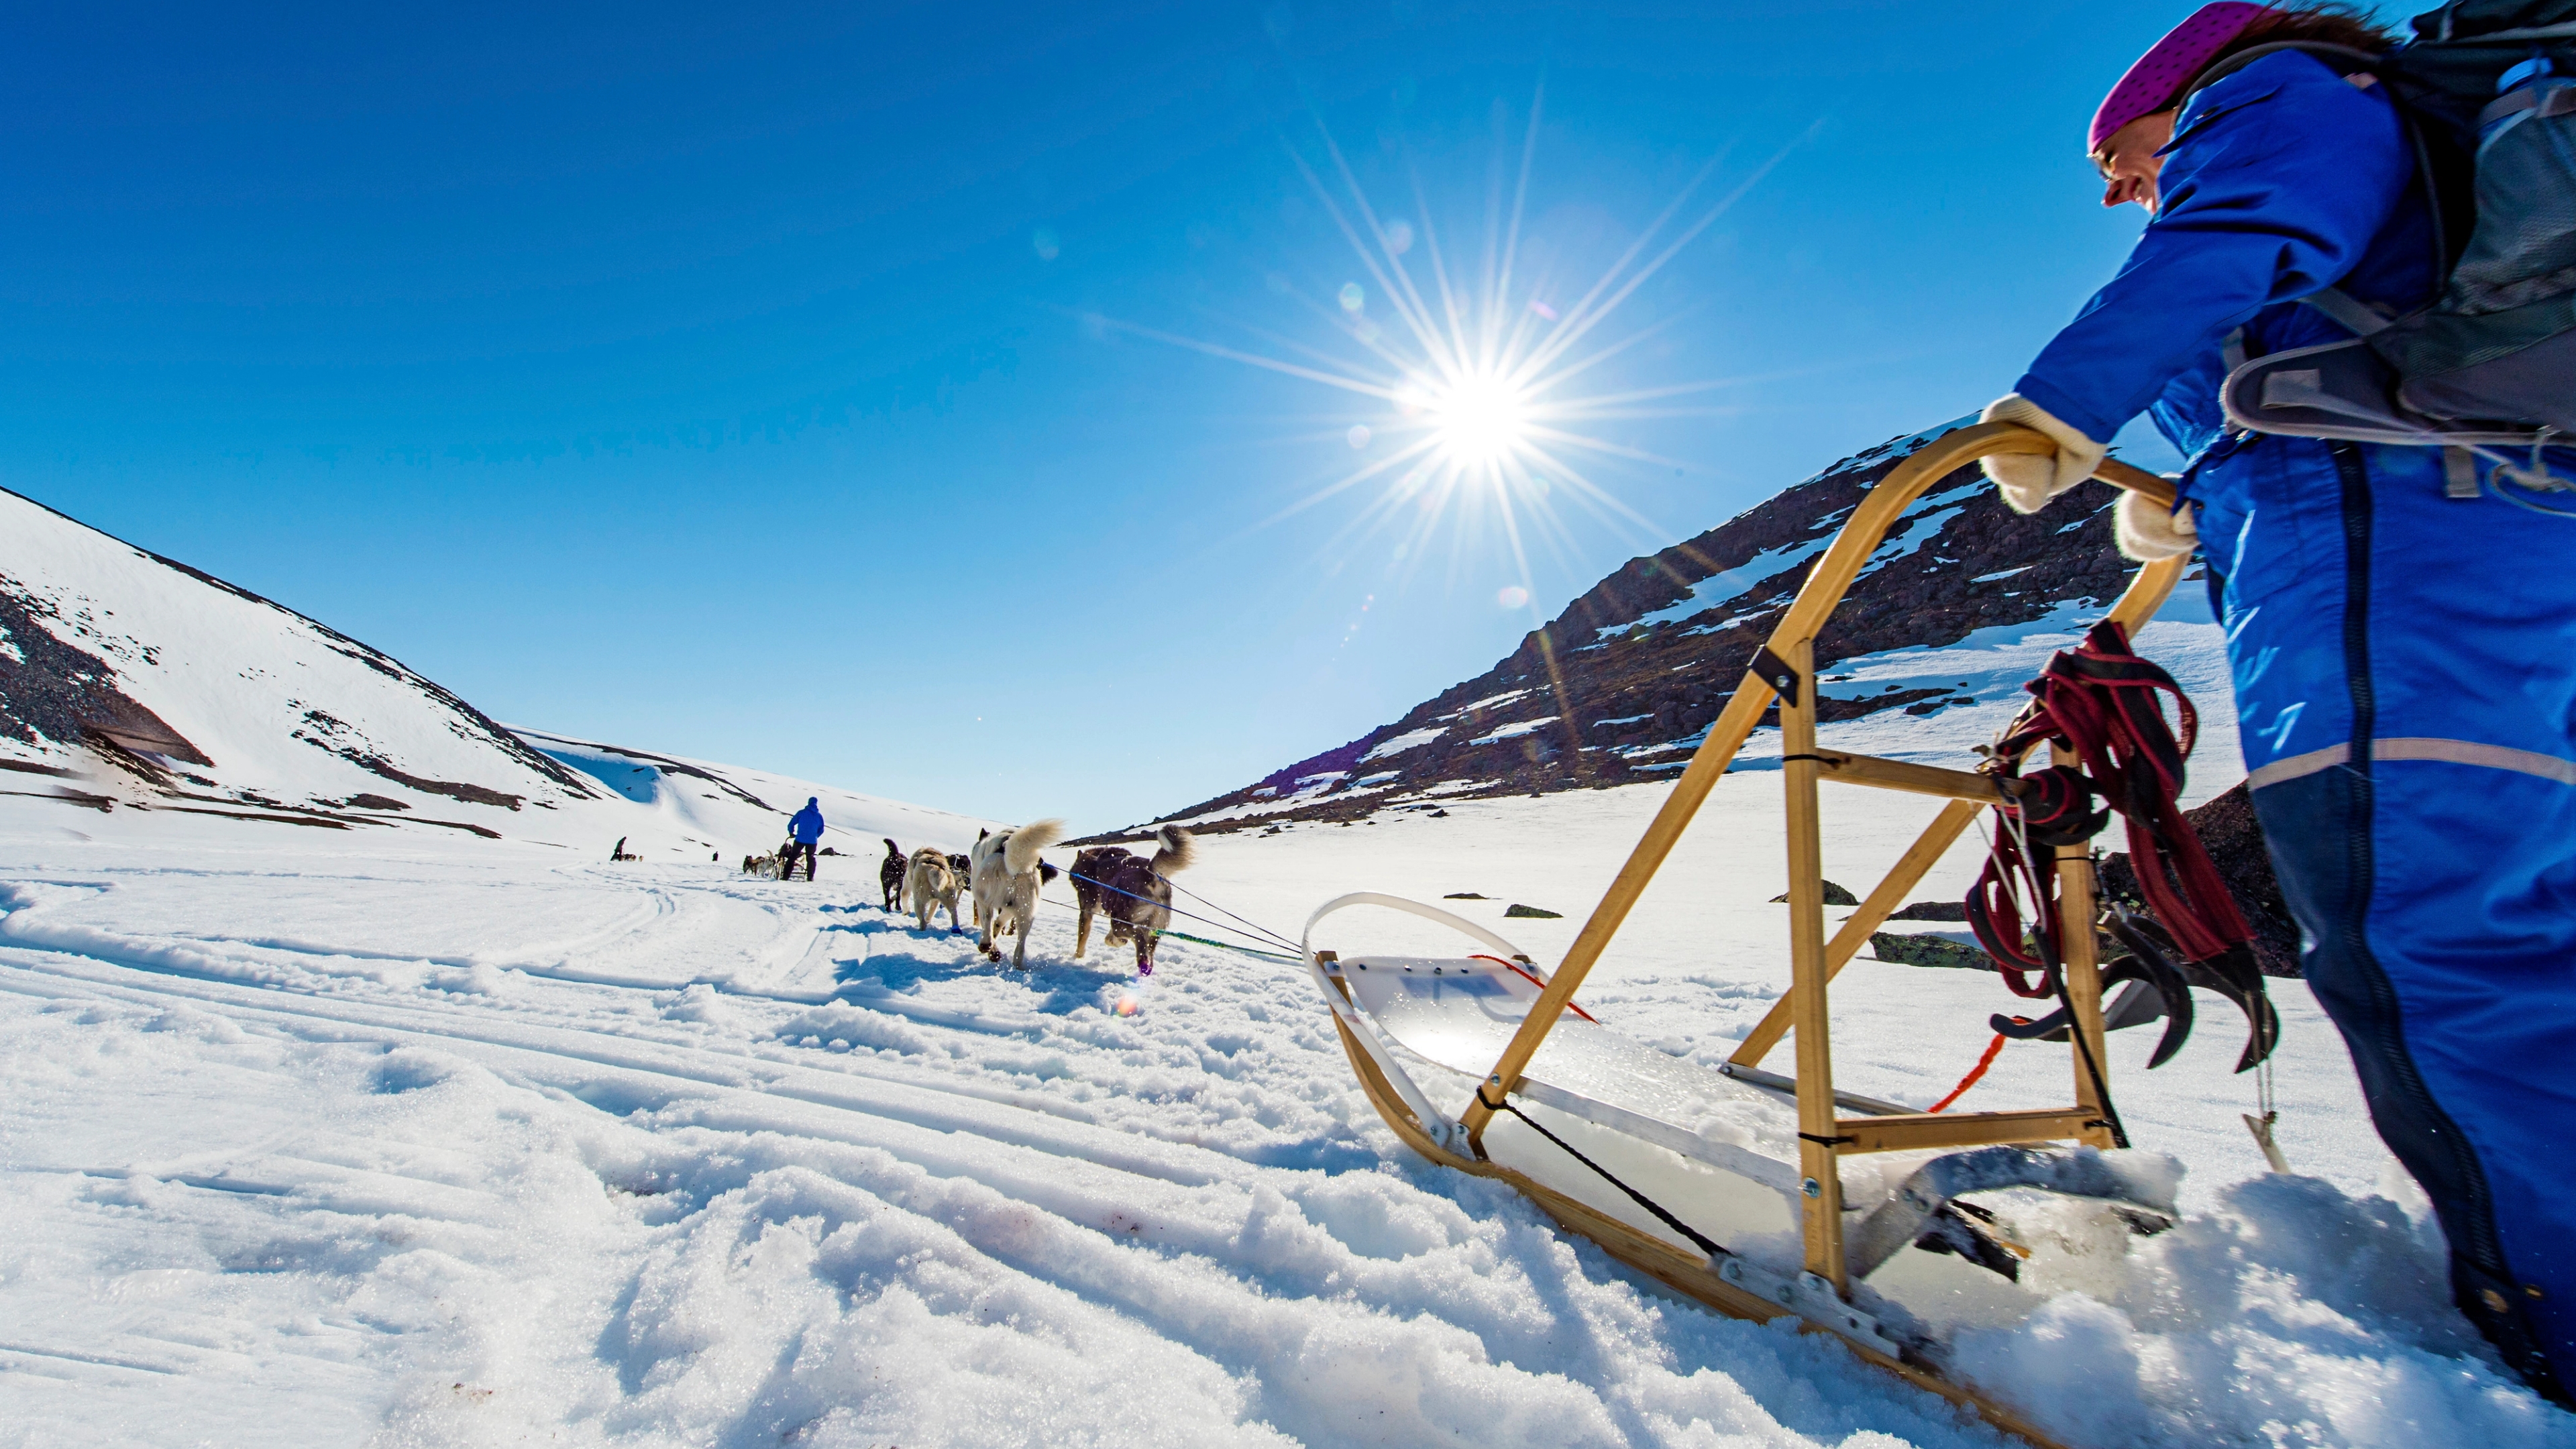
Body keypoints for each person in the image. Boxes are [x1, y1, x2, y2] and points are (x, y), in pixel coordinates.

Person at [1982, 2, 2576, 1404]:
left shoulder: (2282, 89)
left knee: (2438, 936)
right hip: (2494, 546)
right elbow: (2321, 338)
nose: (2119, 188)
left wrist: (2062, 403)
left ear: (2180, 91)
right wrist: (2203, 494)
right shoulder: (2403, 150)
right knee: (2526, 924)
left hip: (2400, 572)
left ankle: (2550, 1332)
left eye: (2118, 156)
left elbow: (2243, 230)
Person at [784, 797, 824, 881]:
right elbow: (821, 830)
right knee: (810, 858)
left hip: (800, 839)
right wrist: (815, 836)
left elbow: (791, 824)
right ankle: (810, 877)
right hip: (812, 841)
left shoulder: (801, 813)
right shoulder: (819, 816)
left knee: (792, 857)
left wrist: (791, 833)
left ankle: (785, 877)